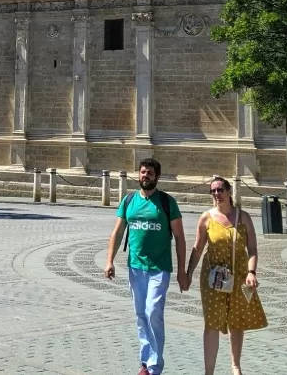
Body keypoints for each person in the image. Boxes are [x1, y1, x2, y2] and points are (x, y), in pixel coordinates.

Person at [104, 158, 188, 375]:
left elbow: (179, 237)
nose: (146, 175)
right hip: (135, 267)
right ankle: (145, 362)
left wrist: (181, 271)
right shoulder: (129, 200)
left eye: (150, 172)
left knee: (153, 312)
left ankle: (154, 366)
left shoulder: (168, 203)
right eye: (143, 172)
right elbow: (117, 232)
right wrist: (109, 261)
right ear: (139, 175)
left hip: (159, 268)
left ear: (157, 176)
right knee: (141, 314)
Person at [185, 176, 267, 375]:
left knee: (237, 321)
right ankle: (209, 372)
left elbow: (253, 249)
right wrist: (187, 274)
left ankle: (235, 365)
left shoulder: (244, 217)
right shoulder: (206, 218)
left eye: (220, 189)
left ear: (229, 191)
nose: (216, 194)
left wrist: (251, 272)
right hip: (213, 278)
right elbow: (197, 249)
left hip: (239, 276)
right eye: (212, 191)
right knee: (212, 322)